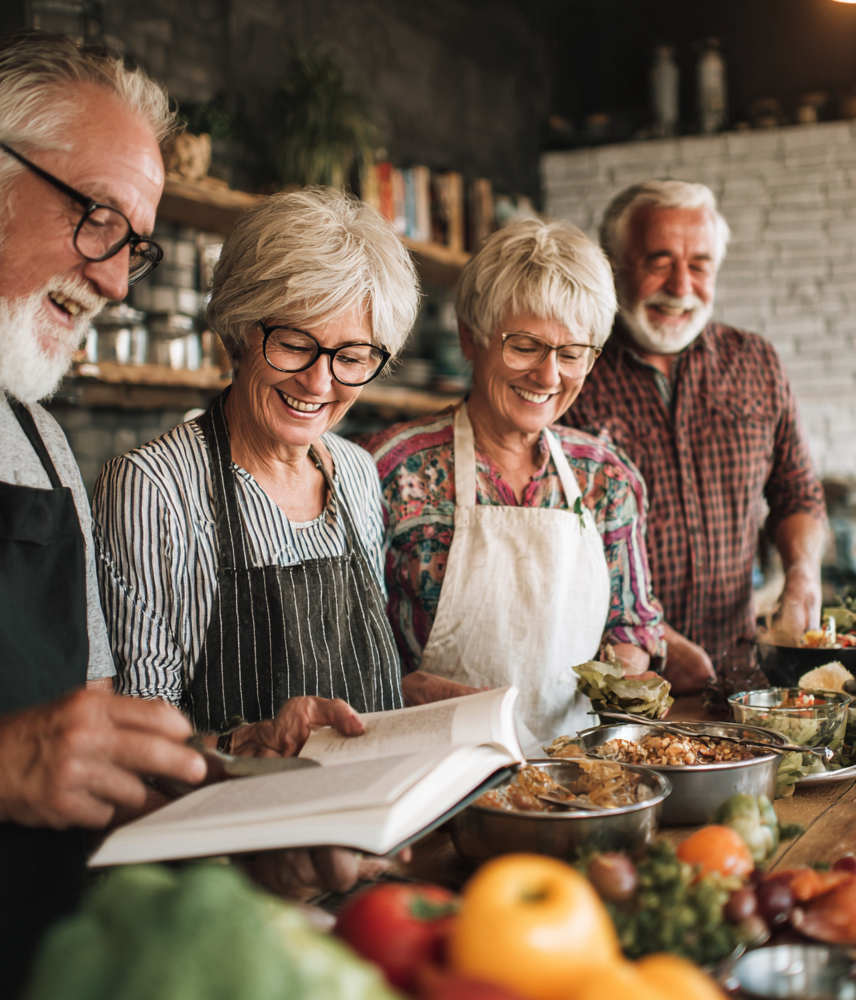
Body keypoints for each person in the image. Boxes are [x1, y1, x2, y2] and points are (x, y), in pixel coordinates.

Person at [0, 33, 358, 1000]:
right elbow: (21, 760)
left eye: (135, 245)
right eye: (97, 221)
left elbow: (92, 748)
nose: (118, 282)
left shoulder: (38, 437)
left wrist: (246, 807)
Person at [93, 186, 477, 741]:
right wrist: (248, 744)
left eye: (351, 357)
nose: (318, 384)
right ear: (237, 331)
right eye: (295, 345)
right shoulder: (152, 489)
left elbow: (352, 680)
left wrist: (406, 694)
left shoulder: (356, 473)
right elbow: (139, 740)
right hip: (233, 799)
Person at [362, 220, 665, 757]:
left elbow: (632, 624)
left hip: (577, 771)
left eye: (571, 353)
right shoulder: (387, 468)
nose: (548, 377)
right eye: (525, 346)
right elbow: (344, 655)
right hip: (427, 767)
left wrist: (622, 673)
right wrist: (402, 689)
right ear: (469, 338)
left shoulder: (605, 478)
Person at [562, 180, 826, 693]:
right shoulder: (572, 372)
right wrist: (655, 637)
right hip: (620, 683)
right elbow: (556, 545)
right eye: (658, 262)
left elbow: (797, 492)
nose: (681, 286)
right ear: (614, 266)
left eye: (700, 265)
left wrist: (803, 573)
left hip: (742, 676)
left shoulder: (756, 361)